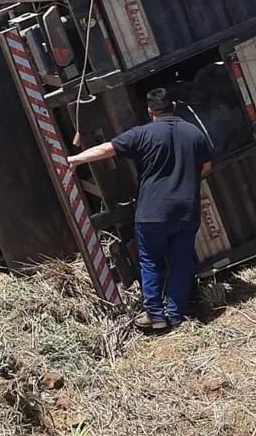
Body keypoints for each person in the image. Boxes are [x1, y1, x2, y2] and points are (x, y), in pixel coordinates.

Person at [68, 87, 211, 331]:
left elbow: (106, 149)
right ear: (174, 106)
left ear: (149, 110)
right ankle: (176, 316)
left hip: (152, 213)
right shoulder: (194, 133)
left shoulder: (143, 134)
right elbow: (206, 167)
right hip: (186, 211)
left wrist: (74, 160)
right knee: (181, 262)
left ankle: (155, 316)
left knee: (151, 262)